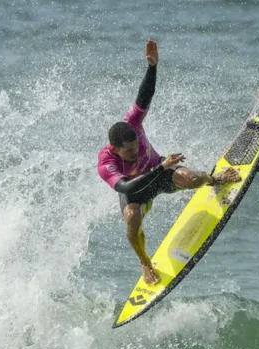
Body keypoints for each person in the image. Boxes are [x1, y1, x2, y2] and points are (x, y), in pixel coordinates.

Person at [97, 39, 240, 286]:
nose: (135, 153)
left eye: (136, 148)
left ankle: (214, 179)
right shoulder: (105, 162)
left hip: (161, 174)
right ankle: (144, 262)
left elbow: (145, 96)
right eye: (129, 152)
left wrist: (152, 66)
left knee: (194, 179)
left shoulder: (133, 122)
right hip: (138, 190)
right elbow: (126, 189)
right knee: (131, 217)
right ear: (114, 149)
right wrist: (159, 168)